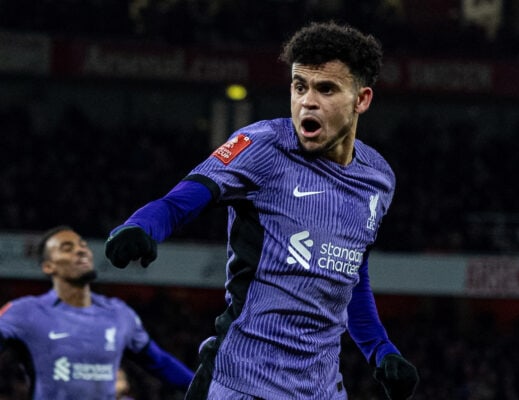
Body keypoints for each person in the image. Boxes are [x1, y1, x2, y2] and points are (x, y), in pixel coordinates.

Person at [105, 21, 419, 400]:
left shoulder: (378, 178)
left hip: (322, 391)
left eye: (326, 89)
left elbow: (351, 273)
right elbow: (182, 199)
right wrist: (142, 226)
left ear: (362, 100)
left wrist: (380, 350)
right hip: (240, 383)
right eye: (299, 86)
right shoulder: (263, 146)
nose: (308, 101)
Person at [0, 226, 194, 399]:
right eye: (67, 248)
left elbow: (160, 363)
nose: (81, 250)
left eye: (83, 245)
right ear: (48, 266)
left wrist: (208, 391)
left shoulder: (119, 313)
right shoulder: (25, 312)